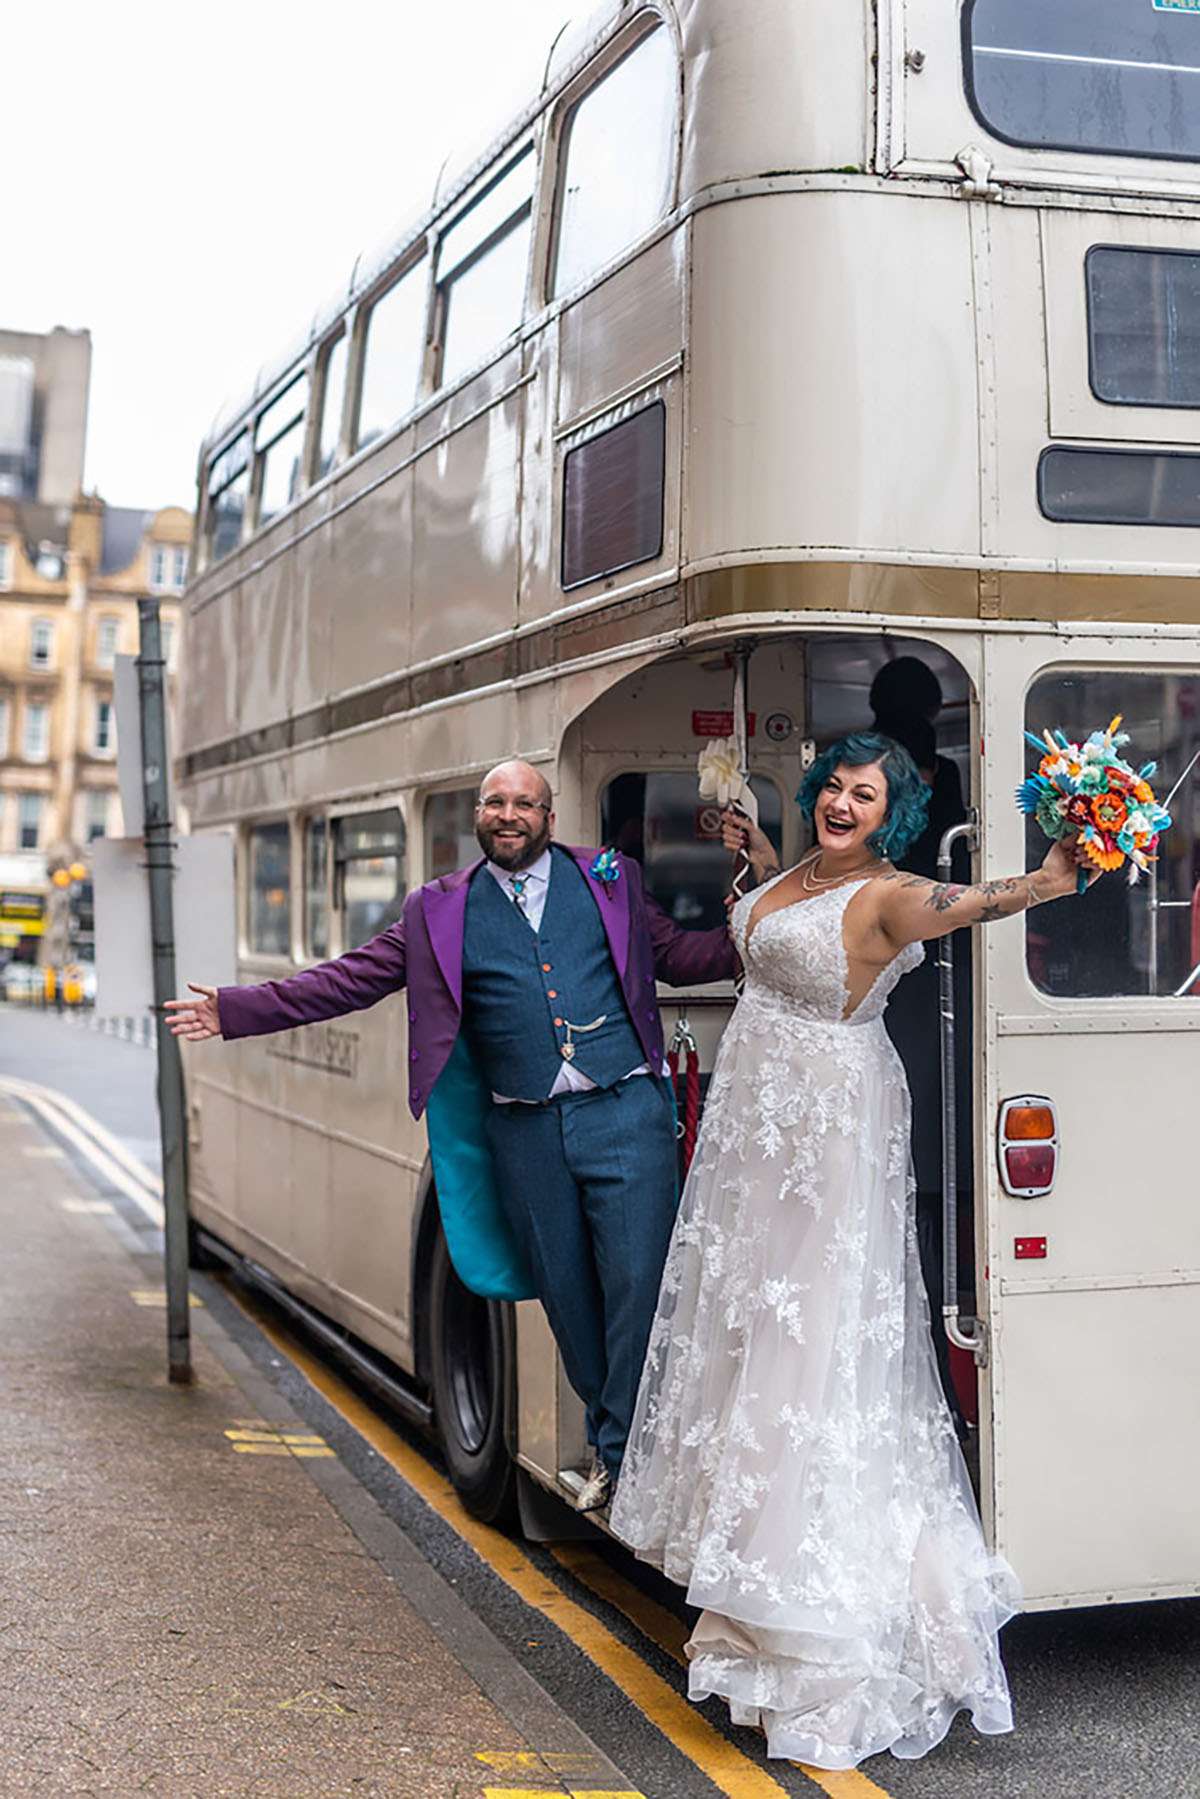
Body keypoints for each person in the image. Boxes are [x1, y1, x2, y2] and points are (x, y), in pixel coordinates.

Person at [610, 731, 1098, 1768]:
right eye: (832, 784)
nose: (840, 802)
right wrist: (756, 855)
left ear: (893, 813)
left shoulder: (890, 895)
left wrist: (1049, 880)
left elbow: (975, 901)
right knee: (751, 1342)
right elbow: (776, 926)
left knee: (809, 1354)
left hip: (824, 1134)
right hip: (757, 1138)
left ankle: (811, 1634)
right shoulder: (798, 871)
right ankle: (751, 1610)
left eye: (863, 795)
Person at [167, 760, 757, 1512]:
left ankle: (623, 1459)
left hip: (625, 1114)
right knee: (568, 1299)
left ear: (549, 817)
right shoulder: (437, 911)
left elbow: (680, 956)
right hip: (527, 1133)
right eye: (495, 802)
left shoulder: (610, 880)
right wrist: (235, 1011)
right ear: (479, 815)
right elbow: (349, 979)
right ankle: (619, 1438)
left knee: (638, 1288)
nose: (509, 815)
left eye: (524, 803)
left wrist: (759, 929)